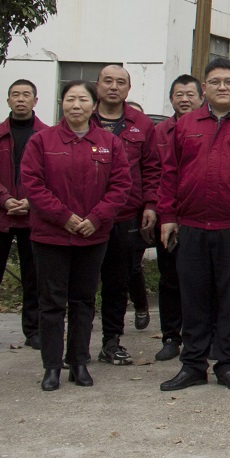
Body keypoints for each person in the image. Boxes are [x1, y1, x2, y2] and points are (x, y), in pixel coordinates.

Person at [157, 58, 230, 392]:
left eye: (229, 81)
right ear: (204, 88)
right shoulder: (186, 124)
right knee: (193, 298)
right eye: (215, 82)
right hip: (192, 225)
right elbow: (170, 173)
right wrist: (168, 217)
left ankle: (227, 364)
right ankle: (193, 364)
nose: (222, 87)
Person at [20, 81, 132, 390]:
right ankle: (52, 366)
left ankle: (79, 362)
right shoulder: (41, 141)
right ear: (62, 103)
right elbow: (33, 184)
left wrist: (96, 218)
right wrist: (64, 217)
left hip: (92, 236)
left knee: (83, 300)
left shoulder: (109, 143)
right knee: (51, 302)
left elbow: (121, 186)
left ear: (93, 106)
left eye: (83, 99)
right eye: (70, 99)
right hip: (50, 236)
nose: (76, 105)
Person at [91, 65, 161, 367]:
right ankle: (76, 345)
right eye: (107, 81)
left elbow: (152, 168)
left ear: (128, 89)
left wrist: (150, 205)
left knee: (117, 283)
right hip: (85, 217)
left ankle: (111, 341)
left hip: (125, 216)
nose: (113, 87)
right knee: (81, 283)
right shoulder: (82, 118)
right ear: (97, 86)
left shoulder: (141, 124)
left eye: (120, 82)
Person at [0, 79, 47, 349]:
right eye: (15, 95)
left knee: (35, 279)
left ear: (35, 101)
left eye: (26, 95)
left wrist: (32, 201)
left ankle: (34, 331)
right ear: (8, 100)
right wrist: (5, 199)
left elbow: (52, 175)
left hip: (34, 218)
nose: (21, 99)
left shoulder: (47, 135)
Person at [150, 75, 200, 361]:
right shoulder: (160, 132)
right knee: (170, 278)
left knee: (202, 280)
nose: (184, 99)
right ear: (171, 99)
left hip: (199, 216)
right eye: (179, 94)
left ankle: (202, 337)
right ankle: (171, 336)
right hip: (168, 215)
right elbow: (155, 173)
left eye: (190, 94)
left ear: (201, 97)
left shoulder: (210, 128)